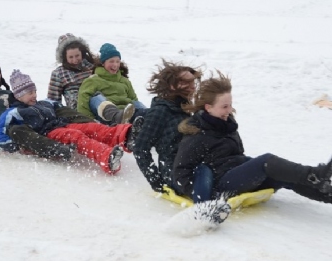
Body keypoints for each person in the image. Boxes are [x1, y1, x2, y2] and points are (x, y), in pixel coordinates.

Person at [172, 71, 332, 204]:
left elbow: (237, 153)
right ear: (208, 107)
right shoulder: (196, 134)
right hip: (221, 184)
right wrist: (204, 196)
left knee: (284, 175)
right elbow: (180, 172)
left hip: (236, 172)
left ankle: (327, 194)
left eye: (230, 104)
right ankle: (314, 174)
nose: (229, 110)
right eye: (224, 106)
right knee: (266, 161)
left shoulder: (227, 124)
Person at [0, 70, 143, 174]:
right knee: (76, 136)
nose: (34, 95)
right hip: (48, 133)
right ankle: (107, 158)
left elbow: (65, 110)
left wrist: (86, 120)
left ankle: (126, 136)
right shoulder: (13, 113)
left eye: (34, 91)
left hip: (62, 123)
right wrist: (14, 146)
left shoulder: (44, 103)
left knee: (91, 128)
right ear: (19, 96)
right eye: (29, 93)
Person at [133, 59, 202, 192]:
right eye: (185, 83)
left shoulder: (186, 108)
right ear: (172, 86)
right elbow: (140, 149)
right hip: (173, 171)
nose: (192, 86)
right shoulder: (160, 111)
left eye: (193, 82)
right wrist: (156, 181)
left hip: (191, 164)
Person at [77, 43, 146, 125]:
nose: (115, 65)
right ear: (103, 63)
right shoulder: (93, 80)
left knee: (136, 103)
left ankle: (149, 116)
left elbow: (134, 99)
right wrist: (89, 122)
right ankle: (117, 117)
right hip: (106, 117)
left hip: (126, 114)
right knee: (96, 98)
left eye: (117, 61)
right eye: (111, 61)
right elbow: (83, 103)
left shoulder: (125, 81)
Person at [47, 33, 98, 110]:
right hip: (77, 110)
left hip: (98, 103)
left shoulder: (93, 66)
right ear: (64, 57)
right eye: (70, 57)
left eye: (77, 56)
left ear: (82, 52)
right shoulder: (59, 73)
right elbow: (53, 101)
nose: (75, 60)